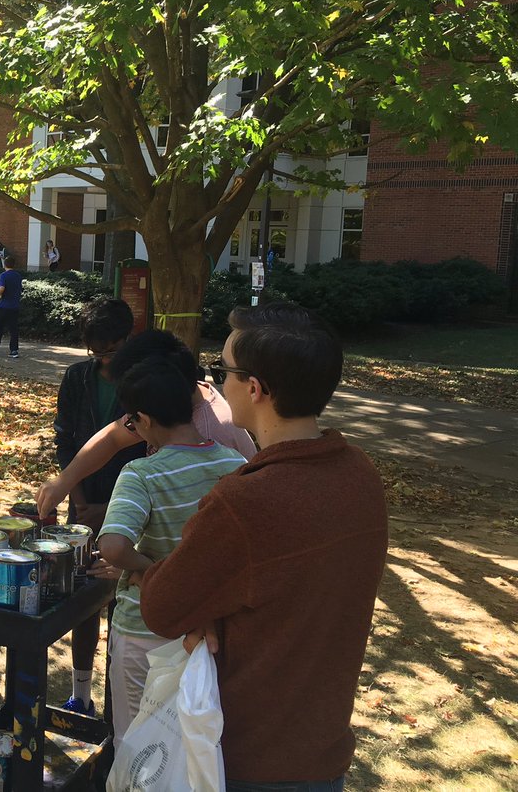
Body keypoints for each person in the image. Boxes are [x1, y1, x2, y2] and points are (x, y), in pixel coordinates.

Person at [139, 303, 388, 791]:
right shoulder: (360, 474)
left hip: (250, 761)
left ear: (254, 388)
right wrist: (212, 608)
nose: (216, 382)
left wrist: (202, 607)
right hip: (322, 753)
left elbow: (160, 606)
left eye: (222, 370)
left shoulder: (245, 500)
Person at [93, 357, 246, 740]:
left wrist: (153, 572)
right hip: (209, 631)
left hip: (144, 629)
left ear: (144, 419)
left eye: (131, 423)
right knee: (189, 749)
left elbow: (113, 546)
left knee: (137, 749)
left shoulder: (141, 473)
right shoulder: (236, 464)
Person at [36, 328, 257, 519]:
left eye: (134, 418)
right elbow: (113, 437)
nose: (130, 421)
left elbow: (198, 532)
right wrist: (64, 481)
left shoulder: (211, 436)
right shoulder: (171, 402)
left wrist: (140, 566)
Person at [54, 298, 146, 716]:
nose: (104, 362)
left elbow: (149, 456)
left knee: (122, 602)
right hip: (84, 508)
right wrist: (79, 500)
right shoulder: (76, 378)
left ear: (130, 338)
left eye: (111, 351)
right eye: (96, 353)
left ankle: (117, 706)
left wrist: (111, 507)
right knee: (83, 600)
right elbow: (67, 443)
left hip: (133, 513)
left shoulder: (146, 384)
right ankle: (81, 692)